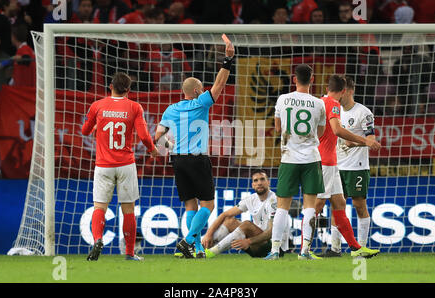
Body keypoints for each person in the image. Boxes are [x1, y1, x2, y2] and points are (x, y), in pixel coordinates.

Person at [154, 34, 235, 259]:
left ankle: (197, 249)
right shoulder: (201, 103)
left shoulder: (170, 109)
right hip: (197, 158)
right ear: (198, 91)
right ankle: (188, 240)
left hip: (177, 159)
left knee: (190, 205)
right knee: (208, 203)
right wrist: (227, 60)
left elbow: (158, 138)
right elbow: (219, 84)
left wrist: (171, 146)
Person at [81, 72, 159, 261]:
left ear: (110, 86)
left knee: (99, 207)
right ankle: (130, 253)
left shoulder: (97, 106)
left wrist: (94, 127)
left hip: (103, 165)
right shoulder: (134, 107)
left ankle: (98, 239)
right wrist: (152, 149)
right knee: (128, 210)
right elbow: (143, 135)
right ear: (128, 90)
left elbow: (84, 130)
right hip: (126, 165)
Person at [313, 74, 380, 259]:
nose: (338, 96)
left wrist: (353, 143)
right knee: (336, 205)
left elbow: (371, 141)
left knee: (359, 205)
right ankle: (335, 248)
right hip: (335, 165)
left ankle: (362, 247)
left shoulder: (364, 113)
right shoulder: (332, 108)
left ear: (349, 91)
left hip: (357, 166)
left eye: (342, 92)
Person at [264, 64, 327, 261]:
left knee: (282, 206)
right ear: (312, 79)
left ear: (294, 79)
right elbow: (321, 132)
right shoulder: (319, 104)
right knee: (309, 206)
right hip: (311, 158)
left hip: (289, 158)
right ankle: (305, 251)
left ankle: (275, 250)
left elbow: (277, 127)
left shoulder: (283, 99)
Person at [175, 169, 288, 258]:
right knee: (229, 221)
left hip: (274, 248)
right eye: (256, 180)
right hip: (257, 244)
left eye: (262, 179)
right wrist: (209, 234)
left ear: (268, 182)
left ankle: (210, 253)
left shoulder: (274, 200)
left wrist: (248, 241)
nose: (259, 183)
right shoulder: (251, 199)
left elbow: (272, 232)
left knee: (247, 224)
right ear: (252, 185)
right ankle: (198, 250)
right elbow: (225, 215)